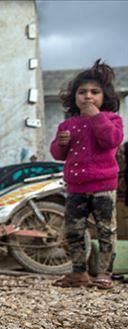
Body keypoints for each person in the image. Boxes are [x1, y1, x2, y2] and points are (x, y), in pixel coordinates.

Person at [50, 59, 124, 289]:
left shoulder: (112, 120)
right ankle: (78, 272)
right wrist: (61, 143)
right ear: (74, 97)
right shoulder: (68, 125)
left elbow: (111, 140)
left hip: (104, 187)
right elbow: (58, 154)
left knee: (105, 230)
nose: (88, 97)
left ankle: (104, 273)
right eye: (82, 92)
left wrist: (97, 117)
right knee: (74, 231)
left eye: (94, 92)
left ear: (104, 96)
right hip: (76, 187)